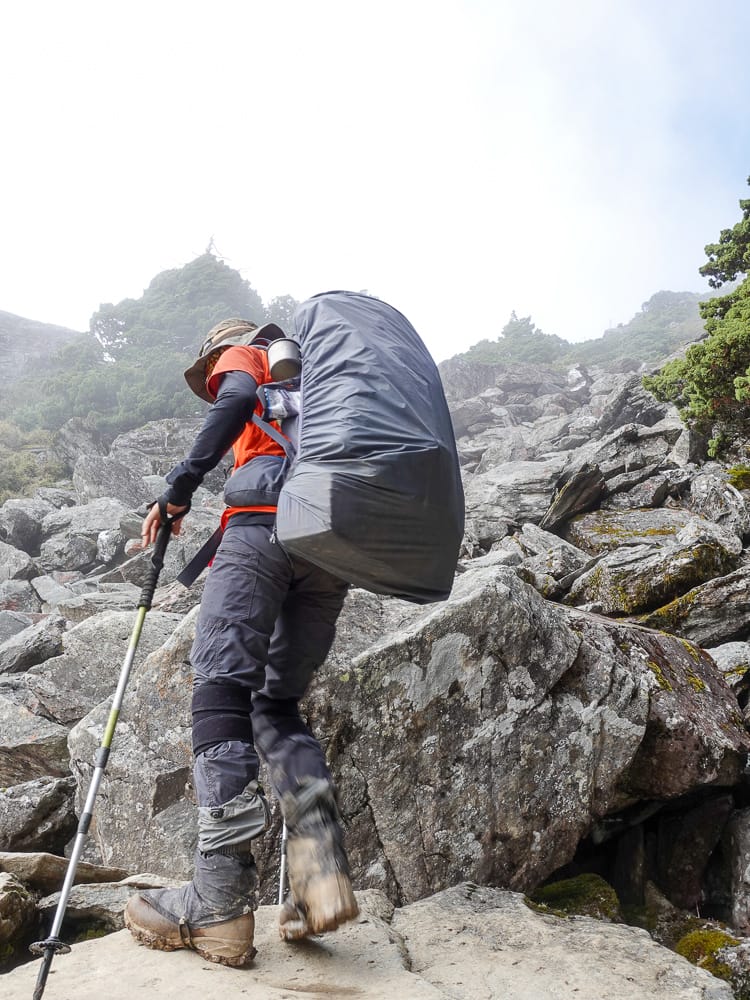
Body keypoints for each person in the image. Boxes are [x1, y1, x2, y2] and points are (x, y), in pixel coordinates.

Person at [124, 318, 358, 967]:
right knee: (275, 706)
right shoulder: (327, 382)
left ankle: (220, 904)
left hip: (259, 530)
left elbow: (231, 402)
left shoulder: (246, 353)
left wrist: (178, 488)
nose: (216, 380)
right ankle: (320, 878)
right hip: (331, 544)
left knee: (220, 693)